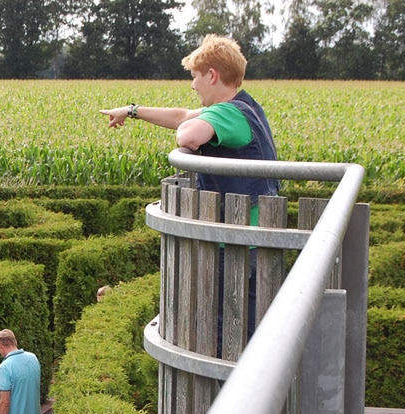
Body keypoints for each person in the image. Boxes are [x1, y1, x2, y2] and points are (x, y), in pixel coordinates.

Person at [100, 34, 279, 353]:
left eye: (195, 77)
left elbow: (189, 132)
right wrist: (132, 110)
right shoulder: (245, 108)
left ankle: (233, 399)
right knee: (246, 329)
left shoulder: (227, 113)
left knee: (232, 334)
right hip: (252, 240)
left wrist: (185, 135)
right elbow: (182, 116)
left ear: (212, 75)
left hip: (237, 244)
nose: (193, 86)